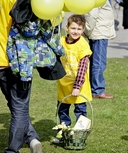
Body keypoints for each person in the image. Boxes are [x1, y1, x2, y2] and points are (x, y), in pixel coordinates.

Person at [0, 1, 44, 152]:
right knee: (19, 106)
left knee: (14, 103)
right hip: (17, 58)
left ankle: (31, 137)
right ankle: (13, 149)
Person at [53, 14, 92, 143]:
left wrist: (77, 86)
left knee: (80, 111)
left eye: (79, 29)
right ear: (67, 27)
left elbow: (82, 68)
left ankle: (79, 137)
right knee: (62, 110)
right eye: (73, 28)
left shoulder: (83, 45)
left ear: (83, 30)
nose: (76, 32)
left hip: (79, 87)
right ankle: (64, 134)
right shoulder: (61, 41)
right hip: (64, 84)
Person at [84, 0, 116, 99]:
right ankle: (97, 90)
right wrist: (87, 30)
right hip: (99, 33)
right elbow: (92, 16)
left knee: (96, 62)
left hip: (100, 32)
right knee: (99, 63)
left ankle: (94, 88)